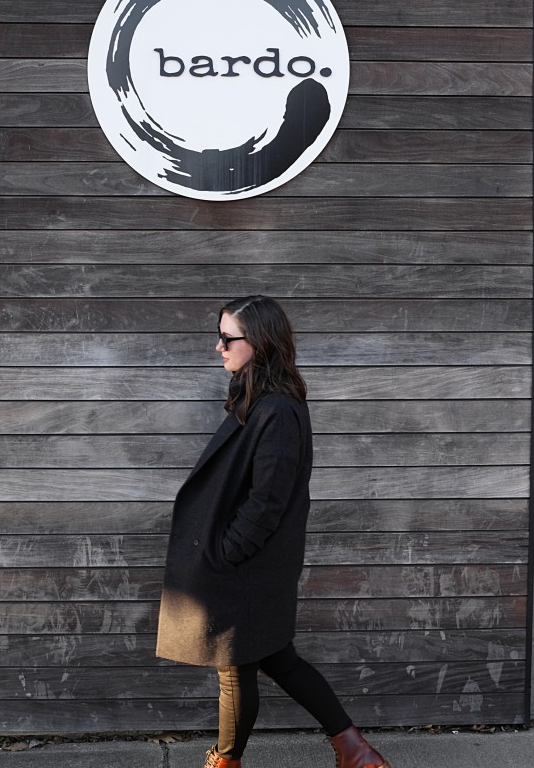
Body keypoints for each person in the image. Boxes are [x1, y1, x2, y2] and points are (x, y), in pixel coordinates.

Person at [156, 295, 392, 768]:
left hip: (246, 565)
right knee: (279, 658)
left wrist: (228, 551)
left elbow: (268, 499)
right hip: (247, 563)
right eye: (219, 334)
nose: (218, 345)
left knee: (235, 668)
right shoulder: (258, 400)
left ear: (259, 343)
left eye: (228, 338)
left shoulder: (278, 410)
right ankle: (356, 752)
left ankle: (226, 761)